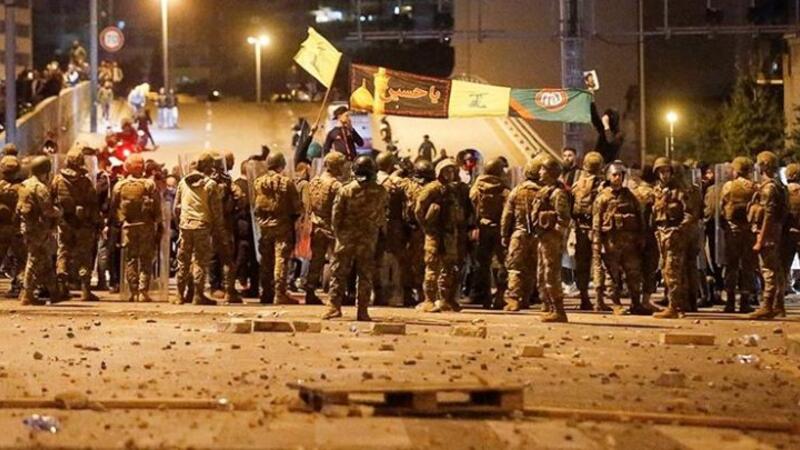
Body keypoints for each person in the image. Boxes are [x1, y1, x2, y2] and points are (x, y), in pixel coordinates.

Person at [323, 156, 387, 320]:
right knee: (365, 274)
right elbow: (382, 216)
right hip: (368, 238)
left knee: (338, 272)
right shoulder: (380, 191)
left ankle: (334, 307)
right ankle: (362, 310)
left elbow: (336, 215)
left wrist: (338, 234)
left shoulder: (345, 190)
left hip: (346, 238)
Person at [592, 161, 651, 315]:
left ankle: (636, 303)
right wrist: (597, 243)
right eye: (614, 175)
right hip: (611, 242)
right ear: (608, 177)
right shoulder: (603, 198)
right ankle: (615, 304)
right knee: (612, 275)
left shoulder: (630, 196)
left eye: (620, 175)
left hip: (630, 244)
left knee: (634, 273)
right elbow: (596, 223)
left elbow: (639, 217)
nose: (617, 178)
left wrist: (641, 236)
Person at [110, 154, 163, 302]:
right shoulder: (149, 184)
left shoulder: (119, 185)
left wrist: (119, 222)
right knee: (146, 259)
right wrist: (159, 223)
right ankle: (142, 291)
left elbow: (113, 207)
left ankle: (133, 291)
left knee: (131, 259)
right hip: (146, 226)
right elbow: (157, 206)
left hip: (128, 226)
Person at [51, 147, 101, 302]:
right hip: (83, 224)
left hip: (65, 223)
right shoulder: (85, 181)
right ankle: (85, 290)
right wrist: (97, 222)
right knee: (84, 255)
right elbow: (93, 203)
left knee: (63, 253)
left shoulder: (58, 180)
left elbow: (51, 200)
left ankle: (62, 287)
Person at [252, 153, 302, 305]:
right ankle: (280, 293)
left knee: (266, 260)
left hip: (264, 226)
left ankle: (266, 292)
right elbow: (296, 206)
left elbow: (256, 205)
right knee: (281, 259)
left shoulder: (258, 182)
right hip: (282, 225)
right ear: (281, 164)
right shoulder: (286, 182)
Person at [415, 159, 464, 313]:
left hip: (449, 234)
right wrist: (427, 228)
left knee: (449, 268)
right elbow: (419, 210)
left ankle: (446, 299)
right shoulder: (431, 189)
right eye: (446, 171)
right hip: (435, 234)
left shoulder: (452, 190)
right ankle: (429, 300)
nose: (450, 174)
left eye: (452, 171)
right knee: (432, 267)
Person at [174, 152, 222, 305]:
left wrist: (179, 223)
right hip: (202, 226)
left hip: (185, 225)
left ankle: (179, 295)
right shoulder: (210, 184)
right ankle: (198, 295)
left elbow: (176, 207)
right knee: (200, 261)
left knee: (183, 260)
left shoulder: (183, 182)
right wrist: (218, 228)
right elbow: (216, 210)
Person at [17, 156, 65, 305]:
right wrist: (60, 211)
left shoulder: (24, 185)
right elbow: (48, 210)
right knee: (34, 260)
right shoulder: (39, 187)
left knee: (44, 260)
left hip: (27, 227)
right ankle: (27, 294)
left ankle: (55, 293)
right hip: (38, 229)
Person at [651, 157, 695, 319]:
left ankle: (674, 306)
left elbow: (690, 214)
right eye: (661, 172)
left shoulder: (679, 191)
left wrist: (679, 229)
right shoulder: (656, 191)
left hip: (674, 234)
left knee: (672, 272)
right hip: (661, 233)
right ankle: (678, 305)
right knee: (666, 270)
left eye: (667, 171)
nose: (664, 175)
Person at [748, 151, 788, 319]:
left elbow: (768, 216)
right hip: (774, 231)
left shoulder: (769, 188)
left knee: (768, 270)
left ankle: (767, 306)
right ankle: (778, 305)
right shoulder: (778, 186)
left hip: (768, 233)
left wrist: (761, 239)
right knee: (776, 269)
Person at [500, 156, 543, 312]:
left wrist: (504, 235)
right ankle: (525, 298)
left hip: (519, 234)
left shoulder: (517, 191)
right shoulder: (544, 191)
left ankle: (513, 299)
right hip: (538, 236)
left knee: (515, 268)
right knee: (532, 268)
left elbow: (507, 215)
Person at [533, 156, 572, 322]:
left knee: (551, 274)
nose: (540, 172)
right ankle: (549, 306)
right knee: (542, 274)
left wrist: (555, 237)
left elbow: (564, 219)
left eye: (543, 169)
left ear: (551, 172)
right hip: (543, 238)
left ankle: (559, 310)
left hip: (551, 240)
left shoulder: (557, 194)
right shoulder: (545, 191)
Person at [305, 152, 345, 305]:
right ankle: (335, 295)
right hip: (332, 227)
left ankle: (310, 291)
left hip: (316, 224)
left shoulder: (314, 181)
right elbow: (339, 209)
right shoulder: (336, 185)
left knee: (316, 260)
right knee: (336, 262)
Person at [469, 157, 509, 309]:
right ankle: (500, 296)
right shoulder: (504, 189)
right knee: (503, 262)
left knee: (482, 264)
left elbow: (472, 206)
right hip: (499, 229)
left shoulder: (476, 188)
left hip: (482, 228)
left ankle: (485, 296)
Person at [718, 156, 757, 313]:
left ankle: (730, 301)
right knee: (748, 266)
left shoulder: (728, 186)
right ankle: (745, 302)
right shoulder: (754, 187)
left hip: (732, 230)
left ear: (736, 170)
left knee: (731, 266)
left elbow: (722, 207)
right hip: (748, 230)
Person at [570, 151, 606, 310]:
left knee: (582, 264)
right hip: (597, 228)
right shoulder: (602, 184)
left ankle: (584, 297)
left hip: (580, 228)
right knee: (598, 263)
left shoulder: (577, 184)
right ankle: (599, 299)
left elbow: (571, 207)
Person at [210, 152, 245, 304]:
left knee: (220, 256)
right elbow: (238, 197)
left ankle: (222, 287)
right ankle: (222, 287)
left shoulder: (221, 180)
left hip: (219, 222)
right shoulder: (220, 181)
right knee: (221, 256)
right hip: (221, 223)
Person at [402, 160, 435, 306]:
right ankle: (423, 294)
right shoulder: (435, 188)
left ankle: (410, 293)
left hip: (413, 229)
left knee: (412, 263)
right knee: (427, 263)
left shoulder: (408, 186)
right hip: (428, 230)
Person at [0, 156, 24, 298]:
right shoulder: (21, 188)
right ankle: (18, 286)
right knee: (21, 260)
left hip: (1, 227)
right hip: (16, 228)